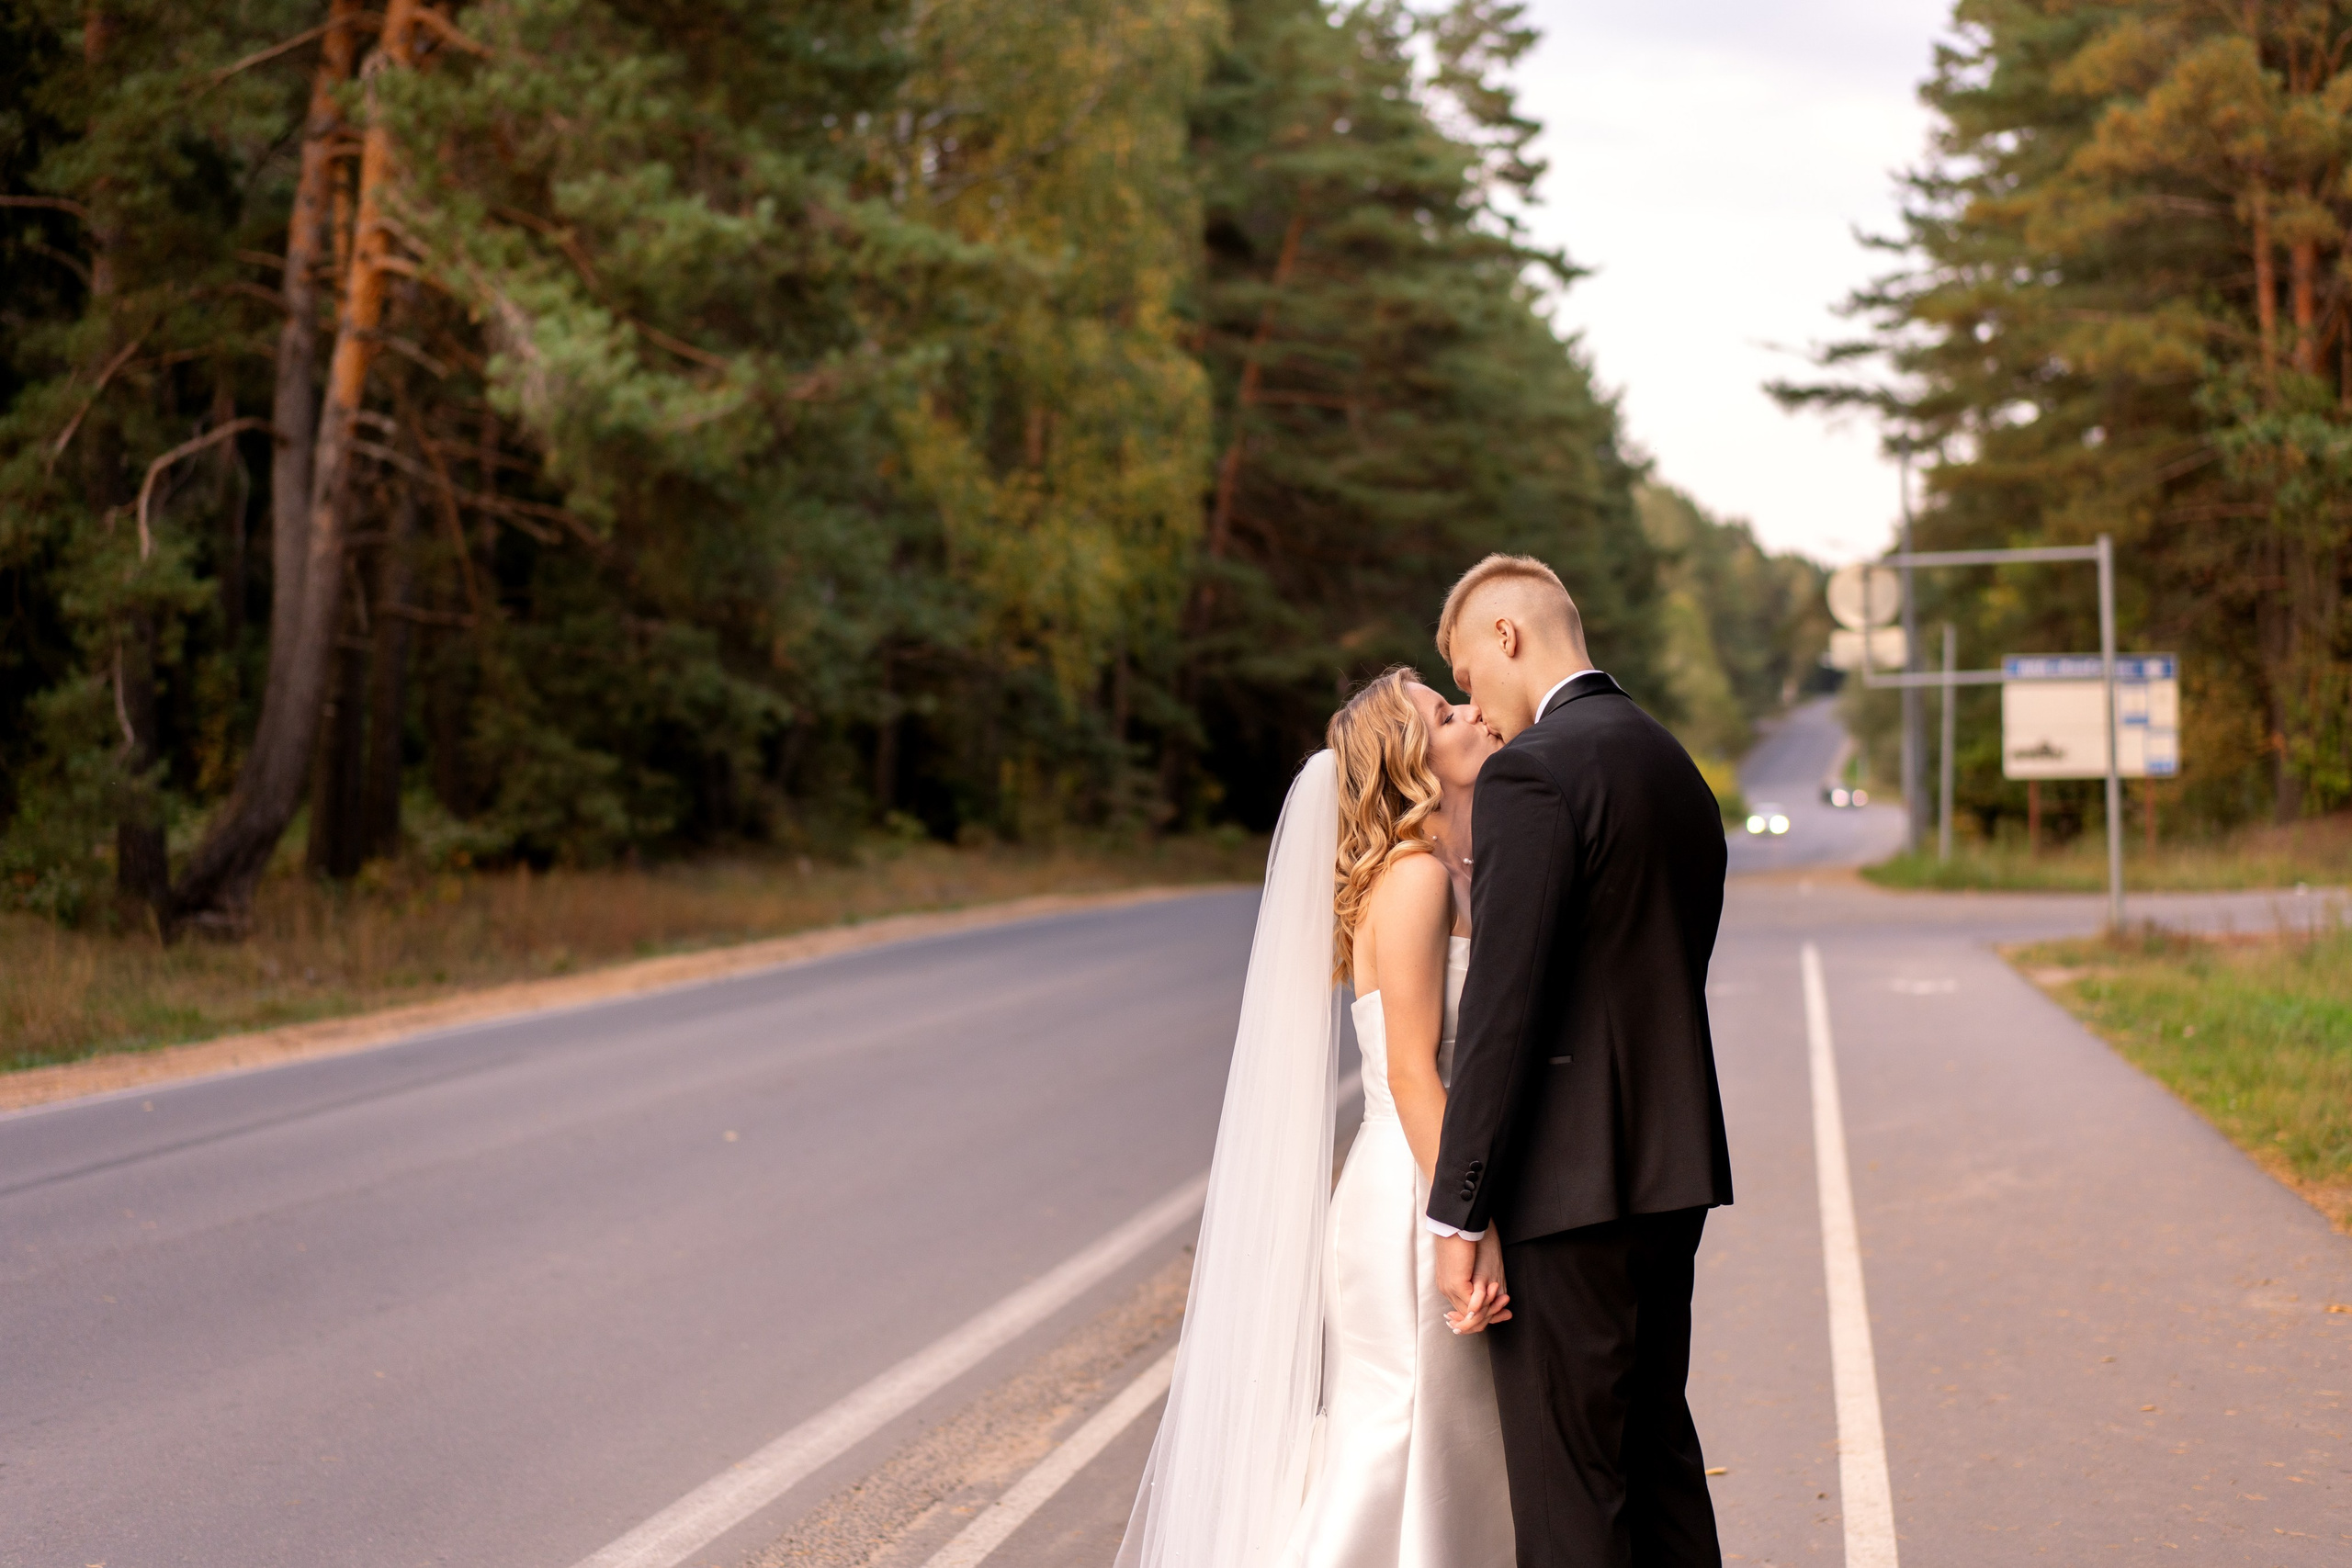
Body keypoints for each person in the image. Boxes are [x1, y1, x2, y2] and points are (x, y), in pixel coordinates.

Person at [1115, 668, 1516, 1568]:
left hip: (1427, 1179)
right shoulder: (1413, 877)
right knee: (1398, 1436)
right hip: (1413, 1200)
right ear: (1414, 762)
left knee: (1435, 1448)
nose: (1474, 717)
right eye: (1447, 715)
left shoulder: (1455, 864)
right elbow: (1414, 1076)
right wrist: (1468, 1221)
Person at [1427, 553, 1734, 1567]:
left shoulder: (1534, 772)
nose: (1477, 704)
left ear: (1506, 638)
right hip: (1673, 1172)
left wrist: (1459, 1210)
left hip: (1567, 1192)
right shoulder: (1670, 762)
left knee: (1570, 1498)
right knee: (1656, 1459)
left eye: (1467, 675)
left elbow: (1502, 1014)